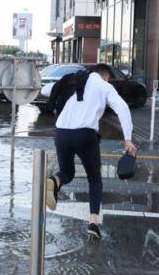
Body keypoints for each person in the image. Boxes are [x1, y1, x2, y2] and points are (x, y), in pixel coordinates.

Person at [41, 64, 137, 240]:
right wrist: (128, 139)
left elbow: (47, 90)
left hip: (61, 133)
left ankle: (54, 180)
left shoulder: (72, 81)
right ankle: (93, 223)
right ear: (106, 76)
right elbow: (122, 108)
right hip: (85, 135)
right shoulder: (104, 85)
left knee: (67, 172)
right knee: (94, 180)